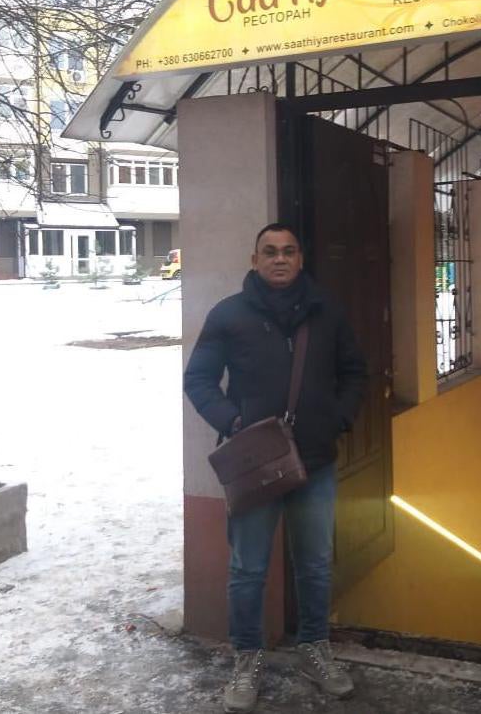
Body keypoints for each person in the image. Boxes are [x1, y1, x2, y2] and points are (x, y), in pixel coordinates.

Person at [184, 223, 368, 714]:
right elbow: (199, 378)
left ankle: (314, 648)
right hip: (253, 462)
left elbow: (354, 372)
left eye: (288, 251)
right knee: (248, 569)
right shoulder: (229, 315)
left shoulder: (326, 311)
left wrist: (339, 417)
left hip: (316, 460)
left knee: (314, 564)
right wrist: (233, 419)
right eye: (270, 252)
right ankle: (247, 658)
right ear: (255, 258)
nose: (279, 259)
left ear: (301, 258)